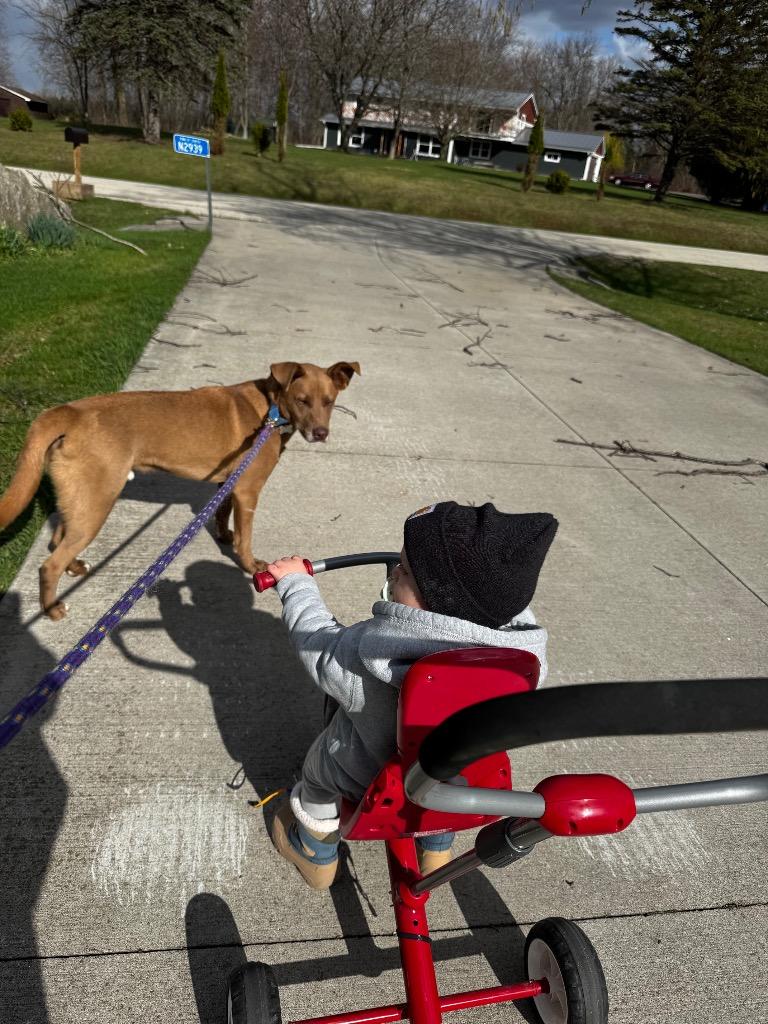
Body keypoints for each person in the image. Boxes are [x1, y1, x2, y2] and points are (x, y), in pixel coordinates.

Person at [265, 501, 558, 890]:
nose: (395, 572)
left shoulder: (372, 653)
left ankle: (315, 853)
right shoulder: (521, 660)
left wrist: (295, 584)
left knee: (319, 771)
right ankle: (436, 847)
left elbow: (317, 645)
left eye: (403, 570)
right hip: (465, 783)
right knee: (449, 767)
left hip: (370, 779)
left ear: (429, 599)